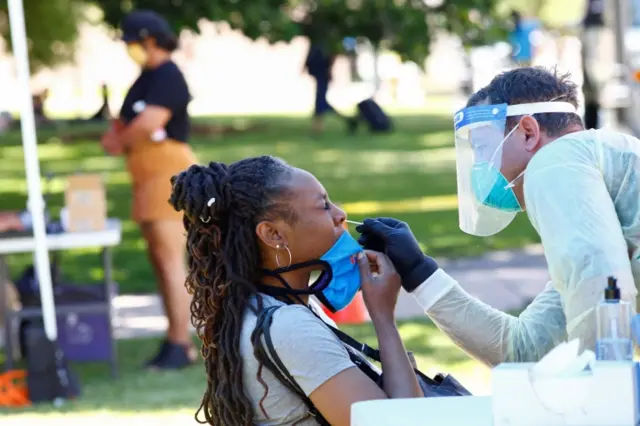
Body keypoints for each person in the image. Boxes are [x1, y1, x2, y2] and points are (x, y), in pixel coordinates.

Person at [357, 67, 640, 366]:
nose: (480, 164)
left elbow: (595, 274)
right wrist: (419, 271)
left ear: (528, 133)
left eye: (483, 147)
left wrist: (598, 391)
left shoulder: (555, 159)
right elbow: (526, 351)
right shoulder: (603, 188)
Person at [169, 156, 423, 425]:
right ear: (273, 235)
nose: (341, 215)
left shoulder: (279, 308)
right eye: (323, 206)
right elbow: (401, 421)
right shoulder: (289, 327)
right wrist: (383, 316)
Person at [100, 9, 197, 369]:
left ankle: (181, 342)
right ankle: (174, 336)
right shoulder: (144, 79)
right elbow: (127, 127)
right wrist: (124, 135)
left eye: (133, 43)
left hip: (167, 174)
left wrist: (123, 138)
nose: (131, 50)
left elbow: (149, 125)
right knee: (159, 259)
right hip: (145, 176)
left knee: (172, 260)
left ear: (150, 40)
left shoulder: (168, 75)